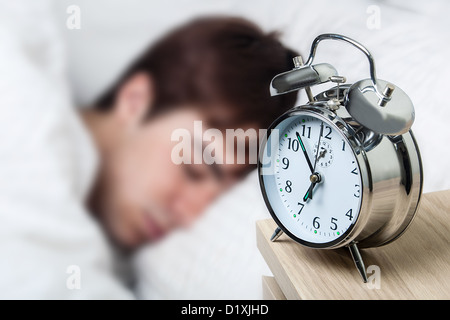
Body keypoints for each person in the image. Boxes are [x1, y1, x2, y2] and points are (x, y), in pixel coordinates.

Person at [0, 7, 297, 298]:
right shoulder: (27, 123)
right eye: (192, 168)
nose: (188, 216)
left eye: (215, 201)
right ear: (135, 100)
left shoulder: (108, 248)